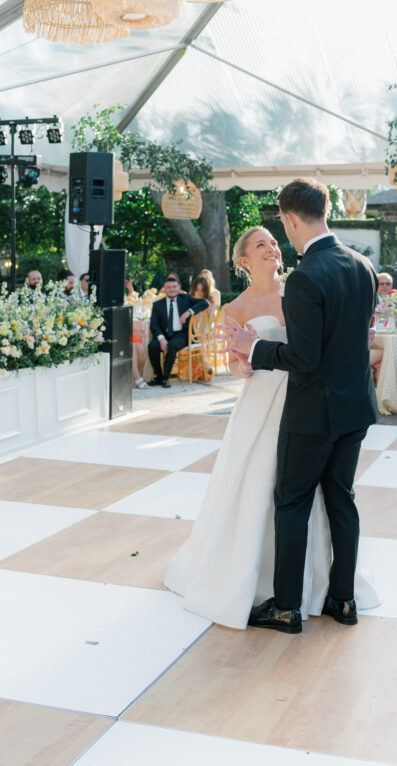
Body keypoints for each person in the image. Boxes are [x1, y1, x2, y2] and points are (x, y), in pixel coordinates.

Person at [165, 219, 380, 630]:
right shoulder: (236, 307)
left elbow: (310, 350)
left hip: (307, 401)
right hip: (264, 401)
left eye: (273, 243)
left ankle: (296, 598)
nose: (272, 249)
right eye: (260, 245)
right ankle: (278, 585)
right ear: (243, 260)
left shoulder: (300, 287)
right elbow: (232, 361)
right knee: (265, 486)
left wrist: (257, 346)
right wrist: (242, 364)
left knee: (302, 496)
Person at [217, 177, 380, 634]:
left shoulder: (308, 275)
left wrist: (253, 347)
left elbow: (303, 358)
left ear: (289, 219)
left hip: (312, 412)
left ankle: (287, 607)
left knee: (291, 502)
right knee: (342, 500)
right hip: (355, 408)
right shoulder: (363, 265)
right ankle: (343, 600)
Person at [147, 274, 208, 388]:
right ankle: (158, 377)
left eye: (174, 287)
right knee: (152, 346)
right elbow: (154, 325)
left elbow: (204, 303)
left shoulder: (186, 299)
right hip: (164, 335)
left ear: (179, 287)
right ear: (164, 289)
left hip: (181, 334)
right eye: (168, 287)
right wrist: (161, 339)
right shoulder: (157, 305)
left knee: (172, 345)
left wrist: (188, 312)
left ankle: (165, 378)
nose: (172, 289)